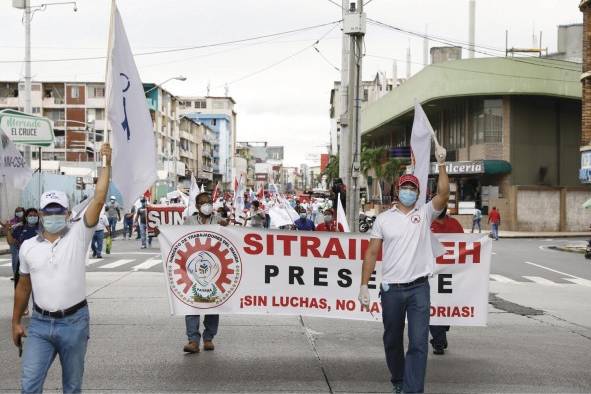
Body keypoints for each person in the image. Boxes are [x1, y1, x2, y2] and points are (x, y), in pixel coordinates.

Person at [12, 144, 111, 393]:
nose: (52, 215)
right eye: (48, 211)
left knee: (72, 387)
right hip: (40, 325)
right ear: (41, 214)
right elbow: (24, 287)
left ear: (67, 213)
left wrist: (105, 162)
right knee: (29, 386)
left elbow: (99, 198)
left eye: (58, 211)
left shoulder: (80, 235)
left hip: (74, 322)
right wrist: (15, 322)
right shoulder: (27, 247)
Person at [359, 144, 448, 394]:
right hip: (392, 290)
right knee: (392, 341)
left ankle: (412, 390)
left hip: (419, 288)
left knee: (419, 343)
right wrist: (364, 285)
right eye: (405, 187)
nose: (408, 191)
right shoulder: (383, 220)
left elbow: (443, 193)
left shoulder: (425, 213)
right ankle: (398, 379)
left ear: (418, 193)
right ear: (397, 191)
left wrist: (441, 163)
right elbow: (372, 253)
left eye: (413, 188)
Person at [178, 192, 228, 353]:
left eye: (209, 202)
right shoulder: (189, 222)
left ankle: (208, 338)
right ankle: (193, 340)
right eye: (203, 202)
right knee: (192, 303)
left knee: (213, 303)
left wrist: (227, 227)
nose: (206, 204)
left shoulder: (219, 220)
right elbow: (178, 240)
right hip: (192, 269)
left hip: (216, 268)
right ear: (197, 206)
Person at [429, 209, 464, 356]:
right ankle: (438, 341)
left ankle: (441, 335)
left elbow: (464, 245)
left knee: (445, 306)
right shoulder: (427, 224)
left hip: (450, 274)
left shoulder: (454, 224)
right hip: (431, 273)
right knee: (433, 306)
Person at [5, 208, 40, 294]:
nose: (33, 217)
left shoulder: (42, 228)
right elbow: (11, 241)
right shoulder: (20, 228)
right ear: (26, 217)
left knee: (38, 288)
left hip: (39, 262)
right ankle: (24, 306)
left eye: (35, 215)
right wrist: (8, 231)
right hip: (22, 262)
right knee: (20, 287)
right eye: (30, 215)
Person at [6, 207, 25, 281]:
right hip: (13, 243)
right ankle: (15, 275)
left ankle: (23, 275)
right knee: (15, 259)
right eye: (17, 211)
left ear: (23, 212)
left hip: (22, 242)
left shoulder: (26, 221)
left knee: (23, 259)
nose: (18, 212)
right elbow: (7, 228)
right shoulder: (12, 221)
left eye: (20, 211)